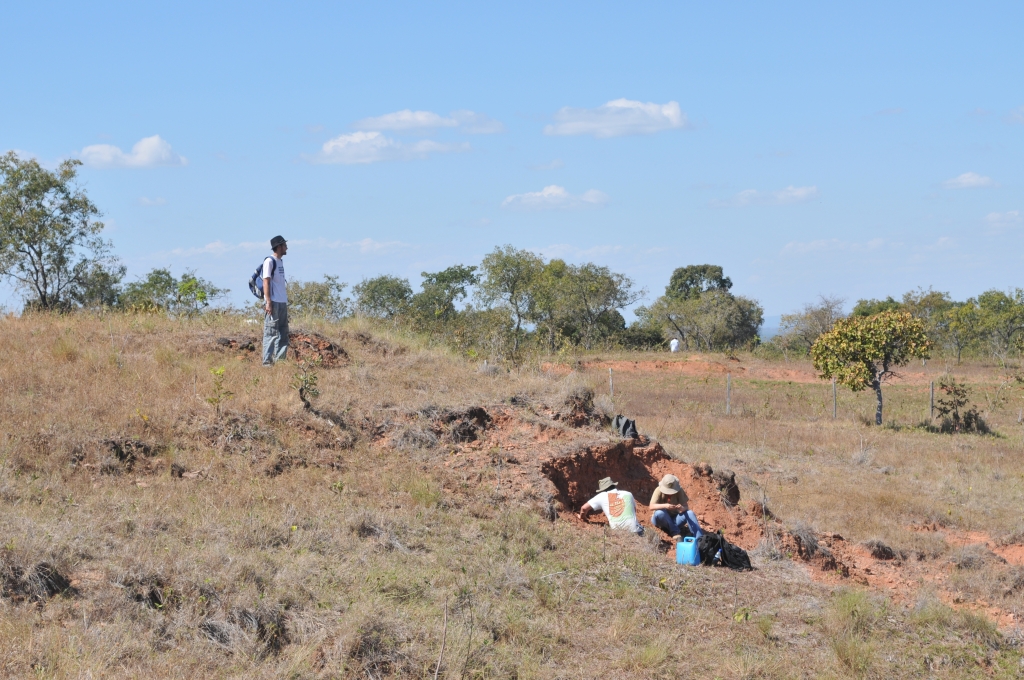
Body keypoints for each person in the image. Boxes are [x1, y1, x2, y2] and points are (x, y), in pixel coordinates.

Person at [579, 477, 643, 535]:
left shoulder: (602, 496)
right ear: (613, 485)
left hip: (617, 533)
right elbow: (634, 511)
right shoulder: (628, 494)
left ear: (603, 490)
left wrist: (583, 517)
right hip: (636, 531)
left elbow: (584, 508)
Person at [649, 474, 703, 540]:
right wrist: (665, 506)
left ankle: (700, 539)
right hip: (661, 521)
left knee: (690, 513)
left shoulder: (679, 490)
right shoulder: (658, 490)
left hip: (674, 520)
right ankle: (675, 532)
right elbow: (651, 506)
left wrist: (682, 508)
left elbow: (686, 506)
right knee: (659, 513)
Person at [262, 235, 289, 366]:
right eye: (284, 245)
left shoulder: (280, 262)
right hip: (273, 302)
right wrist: (268, 302)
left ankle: (280, 362)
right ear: (279, 247)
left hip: (282, 302)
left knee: (283, 334)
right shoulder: (269, 261)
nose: (286, 247)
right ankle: (267, 363)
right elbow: (266, 281)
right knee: (271, 333)